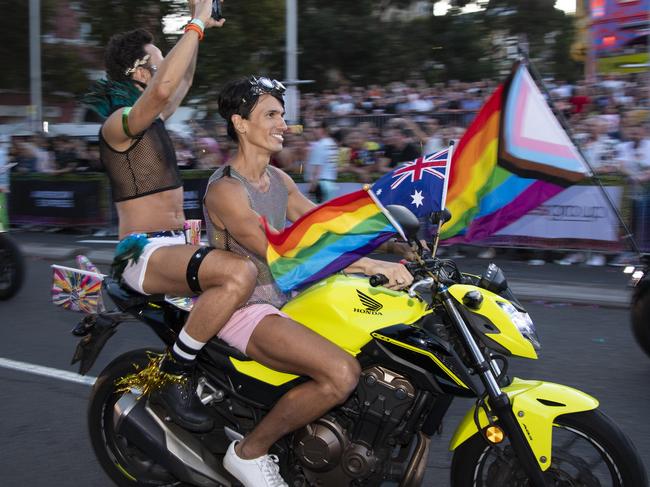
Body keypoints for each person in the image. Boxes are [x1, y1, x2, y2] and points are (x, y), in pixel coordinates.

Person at [203, 76, 415, 487]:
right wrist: (368, 266)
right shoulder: (226, 190)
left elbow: (327, 225)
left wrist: (395, 243)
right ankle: (249, 452)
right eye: (271, 114)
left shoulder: (280, 181)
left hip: (290, 298)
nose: (283, 123)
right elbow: (280, 254)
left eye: (282, 115)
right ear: (241, 123)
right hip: (243, 305)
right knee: (341, 373)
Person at [82, 0, 257, 434]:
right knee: (238, 274)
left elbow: (177, 84)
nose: (165, 73)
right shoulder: (117, 125)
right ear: (140, 71)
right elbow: (163, 89)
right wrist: (193, 20)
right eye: (158, 63)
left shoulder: (153, 115)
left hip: (176, 243)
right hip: (142, 252)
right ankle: (175, 373)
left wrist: (203, 30)